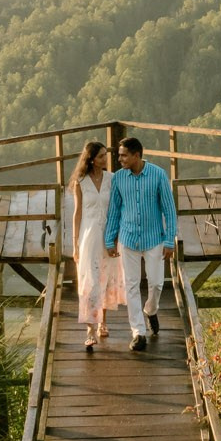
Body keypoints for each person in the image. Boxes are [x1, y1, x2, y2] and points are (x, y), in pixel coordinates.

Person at [103, 136, 177, 352]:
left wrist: (169, 240)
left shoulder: (158, 175)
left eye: (124, 155)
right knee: (131, 285)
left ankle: (151, 310)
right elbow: (114, 210)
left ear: (137, 155)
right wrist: (110, 239)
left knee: (156, 283)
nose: (119, 159)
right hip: (127, 239)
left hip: (154, 238)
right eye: (119, 155)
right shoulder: (118, 178)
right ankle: (138, 332)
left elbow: (169, 210)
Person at [65, 140, 125, 353]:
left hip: (109, 235)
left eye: (105, 155)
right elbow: (77, 213)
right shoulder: (81, 181)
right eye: (101, 156)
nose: (105, 159)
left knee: (107, 277)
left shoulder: (112, 179)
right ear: (91, 159)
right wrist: (74, 244)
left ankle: (103, 322)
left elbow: (119, 207)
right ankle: (90, 330)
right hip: (88, 237)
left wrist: (118, 235)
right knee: (90, 280)